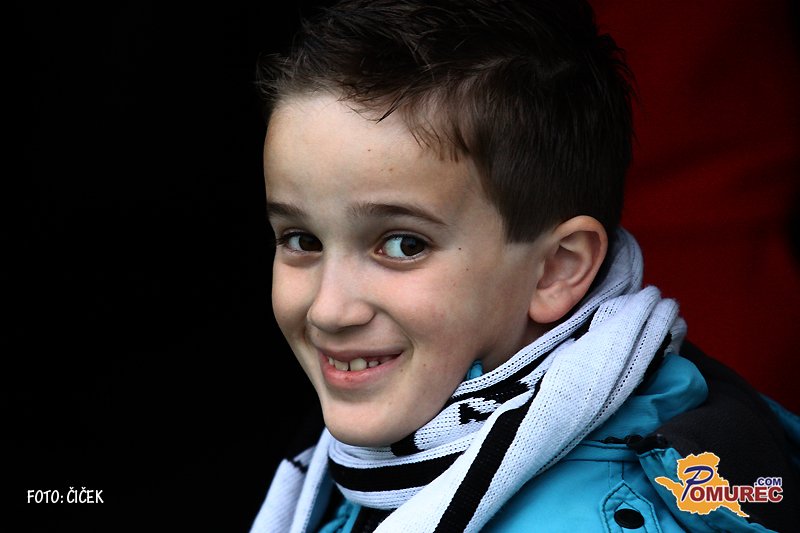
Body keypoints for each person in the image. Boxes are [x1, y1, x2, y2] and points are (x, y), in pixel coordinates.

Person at [248, 1, 799, 531]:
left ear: (556, 269)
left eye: (403, 245)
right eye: (302, 240)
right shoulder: (355, 478)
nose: (329, 310)